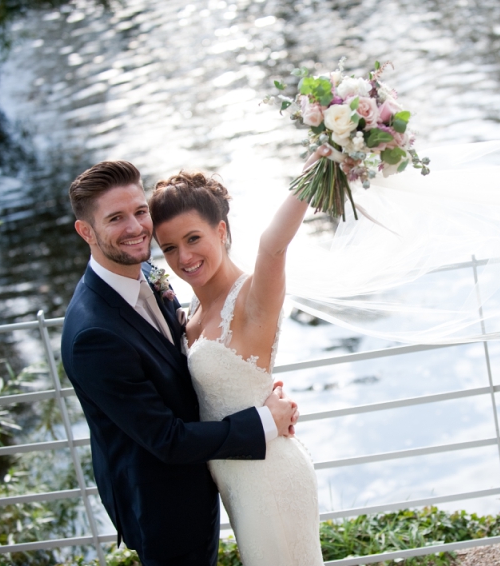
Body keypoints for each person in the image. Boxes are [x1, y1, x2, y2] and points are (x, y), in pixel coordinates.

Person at [60, 160, 299, 566]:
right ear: (86, 231)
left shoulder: (149, 275)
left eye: (139, 211)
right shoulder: (93, 335)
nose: (136, 227)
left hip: (220, 478)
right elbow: (165, 439)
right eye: (116, 218)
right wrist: (264, 421)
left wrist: (252, 388)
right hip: (163, 507)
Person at [146, 148, 332, 565]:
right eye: (170, 248)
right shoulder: (189, 312)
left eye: (194, 239)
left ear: (222, 230)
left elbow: (273, 246)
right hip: (234, 480)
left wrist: (318, 166)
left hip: (269, 476)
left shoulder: (251, 298)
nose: (184, 258)